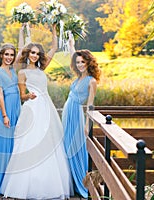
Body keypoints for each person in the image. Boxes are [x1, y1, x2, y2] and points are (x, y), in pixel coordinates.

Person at [0, 23, 73, 199]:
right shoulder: (22, 73)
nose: (34, 55)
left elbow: (54, 47)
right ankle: (26, 185)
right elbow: (21, 96)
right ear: (27, 54)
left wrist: (55, 29)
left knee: (50, 143)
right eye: (32, 52)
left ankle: (49, 185)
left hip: (46, 108)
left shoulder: (42, 68)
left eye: (37, 53)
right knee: (29, 142)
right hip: (31, 108)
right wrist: (28, 96)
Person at [62, 33, 101, 198]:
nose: (79, 65)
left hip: (77, 115)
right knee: (65, 145)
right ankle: (69, 181)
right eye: (77, 62)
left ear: (88, 63)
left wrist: (87, 124)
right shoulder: (78, 77)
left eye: (82, 62)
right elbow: (73, 56)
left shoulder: (91, 81)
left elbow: (90, 105)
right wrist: (71, 44)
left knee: (77, 147)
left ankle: (81, 183)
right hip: (67, 113)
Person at [0, 43, 21, 193]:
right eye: (6, 54)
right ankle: (2, 184)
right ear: (1, 55)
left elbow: (22, 49)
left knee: (17, 143)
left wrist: (24, 27)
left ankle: (14, 183)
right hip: (7, 108)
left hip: (18, 107)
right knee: (5, 144)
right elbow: (0, 95)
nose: (9, 57)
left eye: (11, 55)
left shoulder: (13, 70)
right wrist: (4, 115)